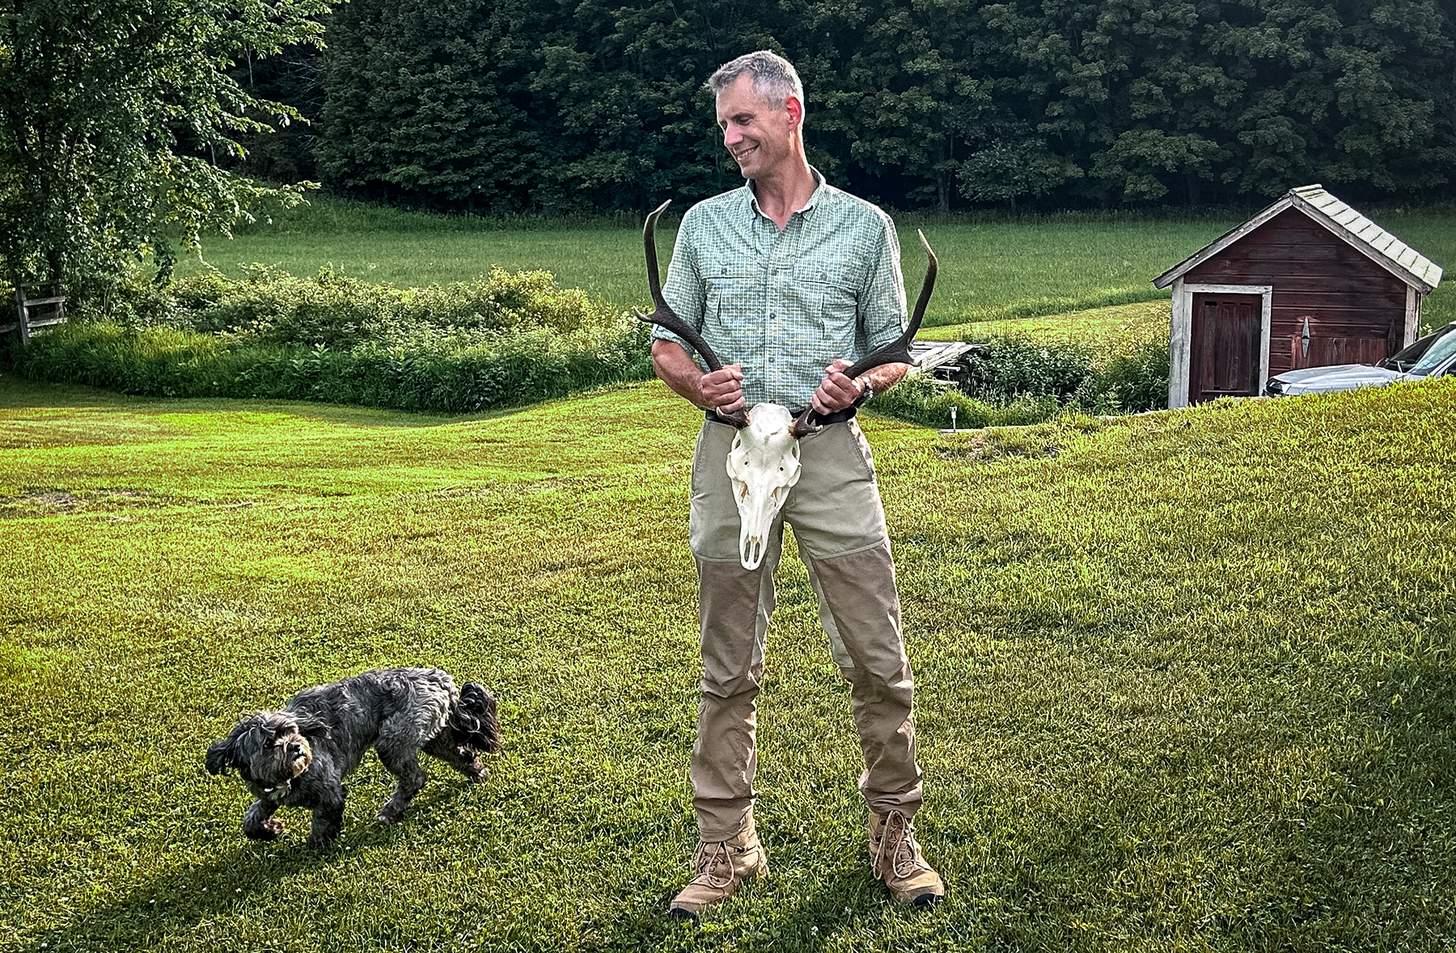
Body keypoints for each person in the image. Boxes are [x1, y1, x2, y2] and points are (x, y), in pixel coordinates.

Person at [648, 50, 944, 919]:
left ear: (791, 113)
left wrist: (861, 381)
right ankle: (726, 845)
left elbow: (894, 347)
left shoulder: (865, 228)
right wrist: (699, 385)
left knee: (878, 657)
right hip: (731, 457)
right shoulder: (703, 226)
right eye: (724, 126)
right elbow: (666, 343)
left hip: (830, 454)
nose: (730, 138)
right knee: (725, 664)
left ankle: (894, 833)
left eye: (743, 120)